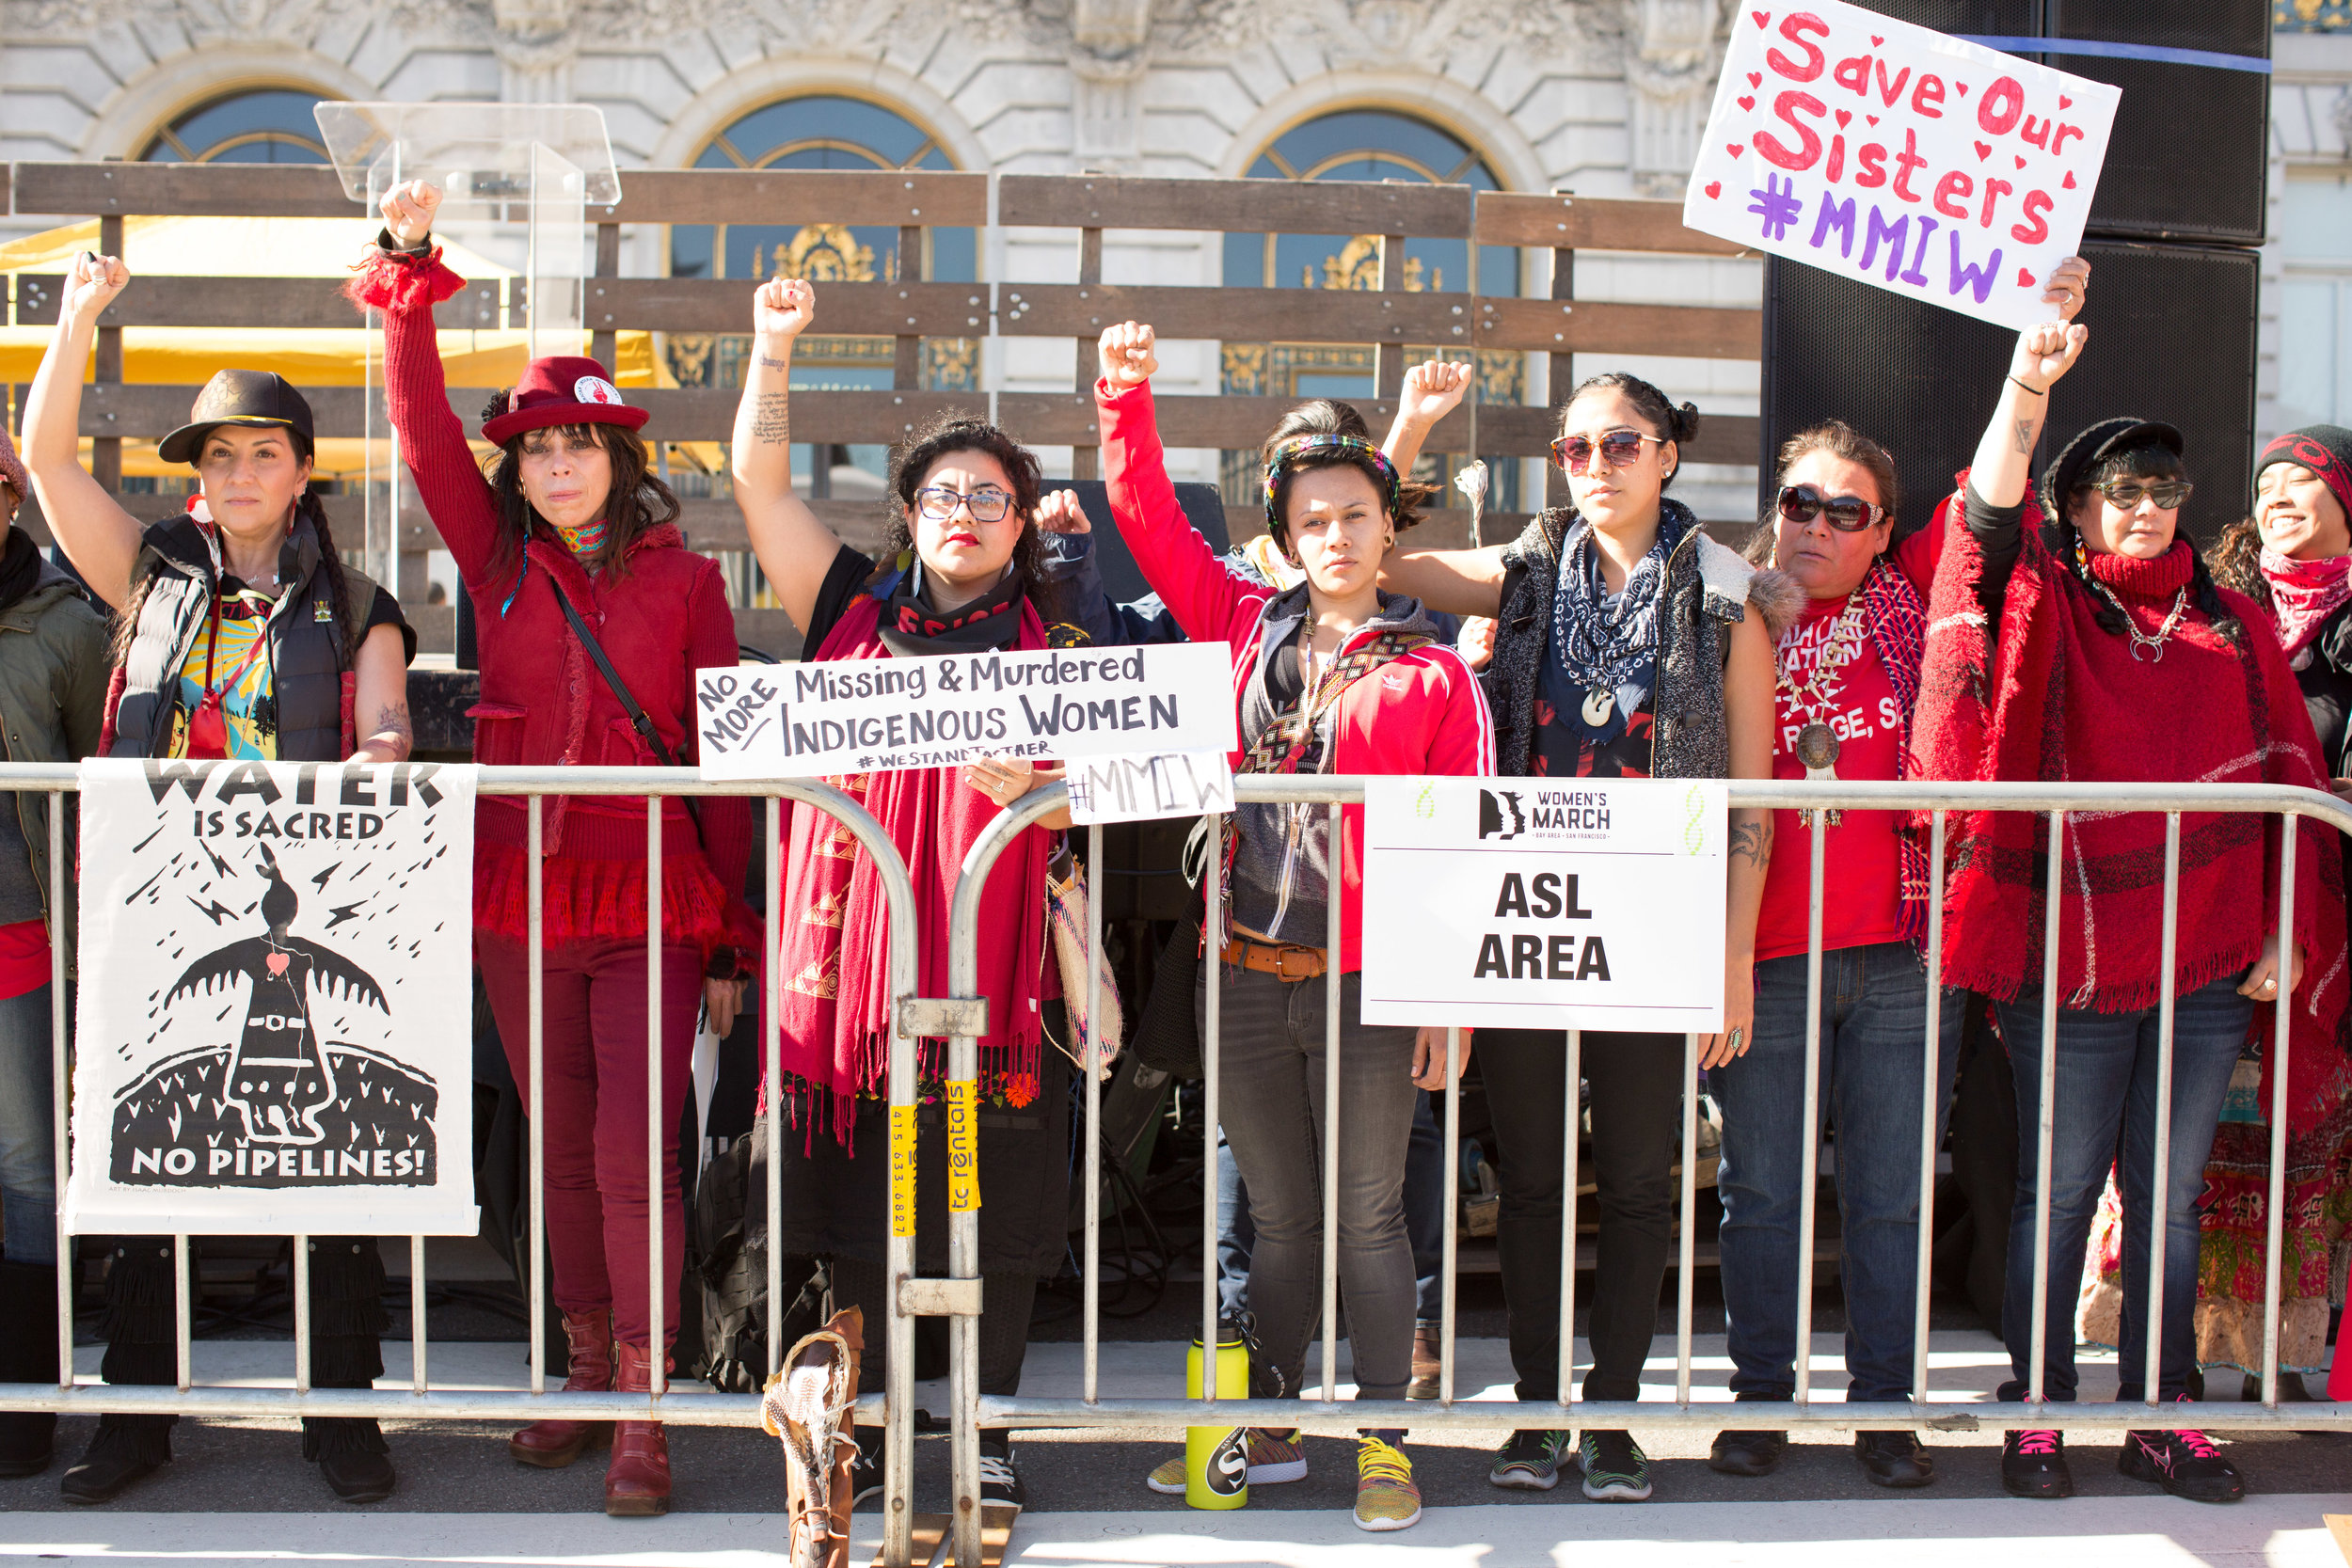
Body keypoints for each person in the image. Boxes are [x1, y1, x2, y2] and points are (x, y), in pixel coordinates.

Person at [355, 181, 756, 1518]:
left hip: (652, 895)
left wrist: (736, 941)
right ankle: (583, 1367)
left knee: (639, 1146)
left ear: (619, 456)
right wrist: (408, 272)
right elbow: (418, 438)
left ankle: (645, 1401)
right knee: (560, 1146)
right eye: (538, 449)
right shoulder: (499, 564)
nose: (562, 463)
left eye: (582, 442)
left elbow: (716, 761)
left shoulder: (690, 582)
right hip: (520, 895)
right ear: (517, 470)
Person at [1914, 303, 2349, 1504]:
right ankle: (2039, 1402)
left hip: (2207, 957)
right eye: (2120, 486)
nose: (2147, 504)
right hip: (2065, 948)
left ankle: (2160, 1411)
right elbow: (1983, 519)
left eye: (2163, 484)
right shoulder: (2042, 600)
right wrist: (2027, 382)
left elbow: (2284, 785)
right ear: (2078, 507)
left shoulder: (2229, 621)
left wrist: (2276, 927)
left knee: (2167, 1199)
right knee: (2055, 1193)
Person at [21, 253, 416, 1506]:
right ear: (198, 477)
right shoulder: (146, 578)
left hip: (312, 898)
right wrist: (79, 318)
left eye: (264, 452)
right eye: (219, 455)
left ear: (303, 468)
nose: (240, 474)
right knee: (152, 1149)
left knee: (332, 1152)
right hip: (159, 907)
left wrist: (383, 750)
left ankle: (341, 1410)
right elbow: (46, 458)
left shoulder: (360, 601)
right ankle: (137, 1414)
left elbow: (392, 720)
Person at [1093, 320, 1491, 1532]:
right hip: (1243, 972)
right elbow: (1142, 507)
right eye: (1311, 521)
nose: (1334, 537)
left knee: (1369, 1212)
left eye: (1354, 517)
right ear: (1282, 537)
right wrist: (1126, 391)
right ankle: (1256, 1429)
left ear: (1389, 528)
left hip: (1369, 982)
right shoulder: (1235, 625)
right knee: (1273, 1214)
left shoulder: (1435, 676)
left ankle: (1384, 1438)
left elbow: (1461, 851)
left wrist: (1448, 998)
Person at [1377, 372, 1778, 1500]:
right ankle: (1538, 1409)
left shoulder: (1724, 597)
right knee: (1534, 1178)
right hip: (1524, 919)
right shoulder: (1519, 571)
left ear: (1666, 456)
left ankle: (1612, 1413)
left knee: (1644, 1181)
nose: (1595, 463)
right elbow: (1375, 556)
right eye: (1574, 446)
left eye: (1620, 442)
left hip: (1657, 925)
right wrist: (1410, 428)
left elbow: (1754, 798)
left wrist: (1732, 956)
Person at [727, 275, 1076, 1515]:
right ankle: (854, 1420)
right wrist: (773, 349)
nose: (965, 511)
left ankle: (979, 1422)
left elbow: (1150, 764)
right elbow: (761, 489)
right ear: (910, 514)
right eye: (943, 492)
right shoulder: (846, 610)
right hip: (852, 992)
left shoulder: (1070, 633)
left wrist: (1055, 783)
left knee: (993, 1211)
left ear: (1023, 518)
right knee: (857, 1205)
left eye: (991, 493)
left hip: (996, 987)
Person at [1700, 412, 1968, 1488]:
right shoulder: (1721, 612)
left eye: (1842, 509)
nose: (1814, 523)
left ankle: (1885, 1404)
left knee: (1890, 1191)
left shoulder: (1929, 613)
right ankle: (1760, 1396)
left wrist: (2033, 368)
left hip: (1903, 956)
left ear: (1882, 528)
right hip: (1762, 954)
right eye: (1798, 502)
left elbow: (1992, 477)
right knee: (1760, 1186)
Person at [2185, 430, 2352, 1395]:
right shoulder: (2215, 611)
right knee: (2211, 1135)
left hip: (2331, 923)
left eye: (2305, 478)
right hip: (2220, 906)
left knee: (2311, 1135)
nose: (2279, 492)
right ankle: (2196, 1350)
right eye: (2266, 481)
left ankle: (2292, 1358)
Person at [0, 425, 110, 1482]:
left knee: (30, 1172)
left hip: (24, 937)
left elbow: (99, 778)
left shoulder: (69, 623)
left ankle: (25, 1403)